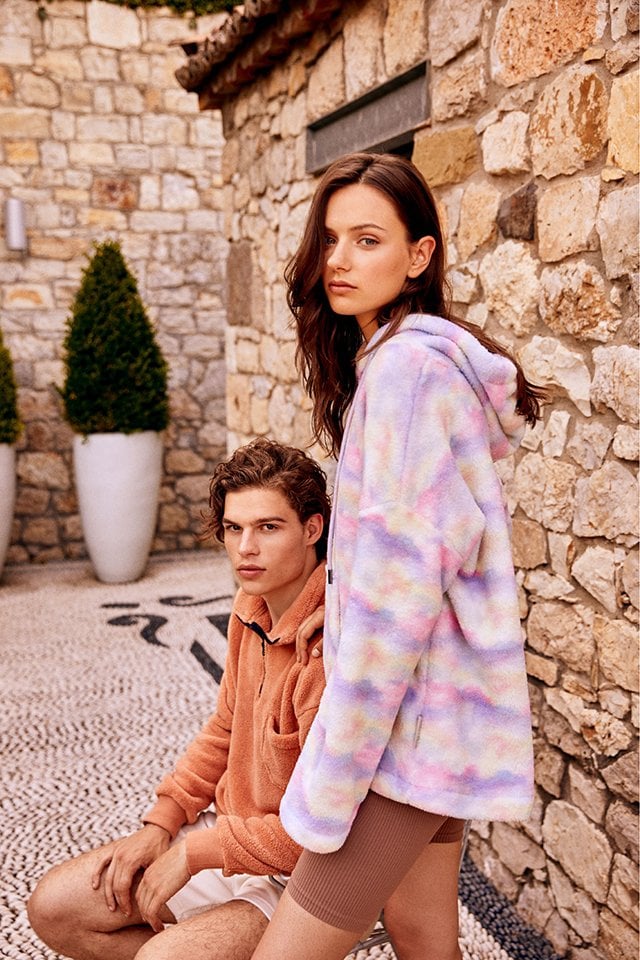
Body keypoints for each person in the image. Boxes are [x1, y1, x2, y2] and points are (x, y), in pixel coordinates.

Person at [251, 153, 545, 960]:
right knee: (420, 935)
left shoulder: (406, 374)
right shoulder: (407, 364)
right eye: (330, 239)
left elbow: (396, 599)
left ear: (419, 257)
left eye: (367, 239)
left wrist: (338, 768)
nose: (338, 260)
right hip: (434, 718)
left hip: (399, 734)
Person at [27, 438, 330, 960]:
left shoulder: (329, 650)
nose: (245, 548)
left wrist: (194, 851)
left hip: (301, 875)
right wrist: (161, 824)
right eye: (233, 528)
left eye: (268, 527)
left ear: (312, 529)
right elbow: (225, 728)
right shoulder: (251, 606)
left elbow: (325, 827)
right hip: (229, 835)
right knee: (54, 907)